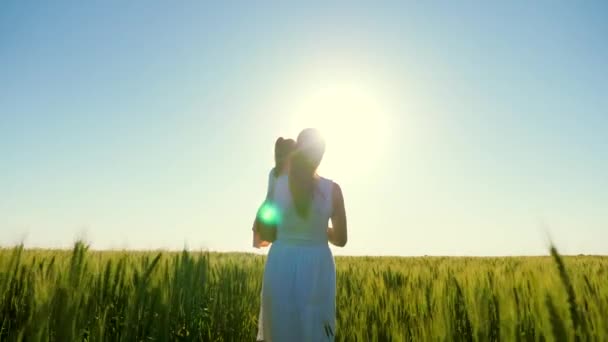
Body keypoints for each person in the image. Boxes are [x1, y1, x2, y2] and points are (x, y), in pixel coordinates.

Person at [258, 128, 348, 342]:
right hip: (317, 266)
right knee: (314, 329)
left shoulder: (278, 183)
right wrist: (318, 230)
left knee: (280, 327)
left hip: (280, 262)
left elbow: (267, 232)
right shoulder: (333, 190)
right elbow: (341, 239)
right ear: (321, 155)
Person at [252, 137, 296, 248]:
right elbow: (270, 197)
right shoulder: (275, 173)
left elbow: (269, 197)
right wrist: (259, 217)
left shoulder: (294, 173)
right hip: (282, 218)